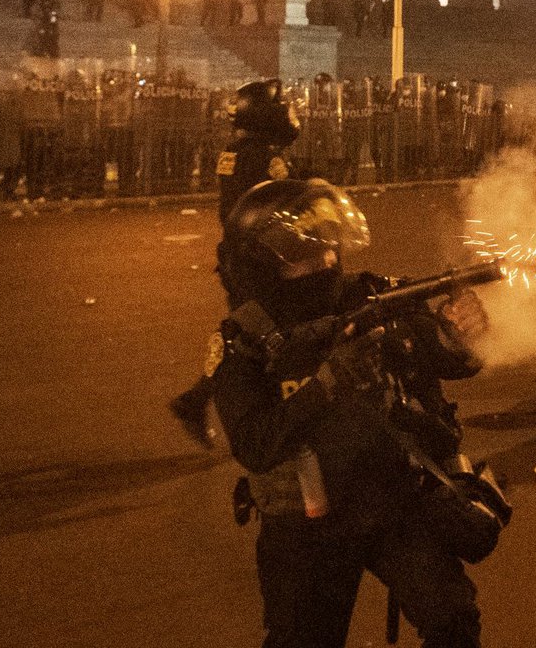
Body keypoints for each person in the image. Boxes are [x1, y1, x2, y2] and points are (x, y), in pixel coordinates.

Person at [209, 179, 493, 648]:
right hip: (307, 521)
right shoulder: (245, 341)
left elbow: (449, 360)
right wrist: (327, 383)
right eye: (305, 254)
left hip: (391, 500)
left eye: (329, 249)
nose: (325, 262)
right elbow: (256, 445)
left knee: (453, 621)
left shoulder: (368, 298)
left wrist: (460, 333)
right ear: (265, 263)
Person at [170, 79, 303, 446]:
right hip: (258, 260)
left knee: (248, 332)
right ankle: (209, 404)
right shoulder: (265, 156)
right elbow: (285, 201)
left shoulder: (235, 150)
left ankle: (195, 401)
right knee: (255, 336)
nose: (286, 111)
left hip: (239, 256)